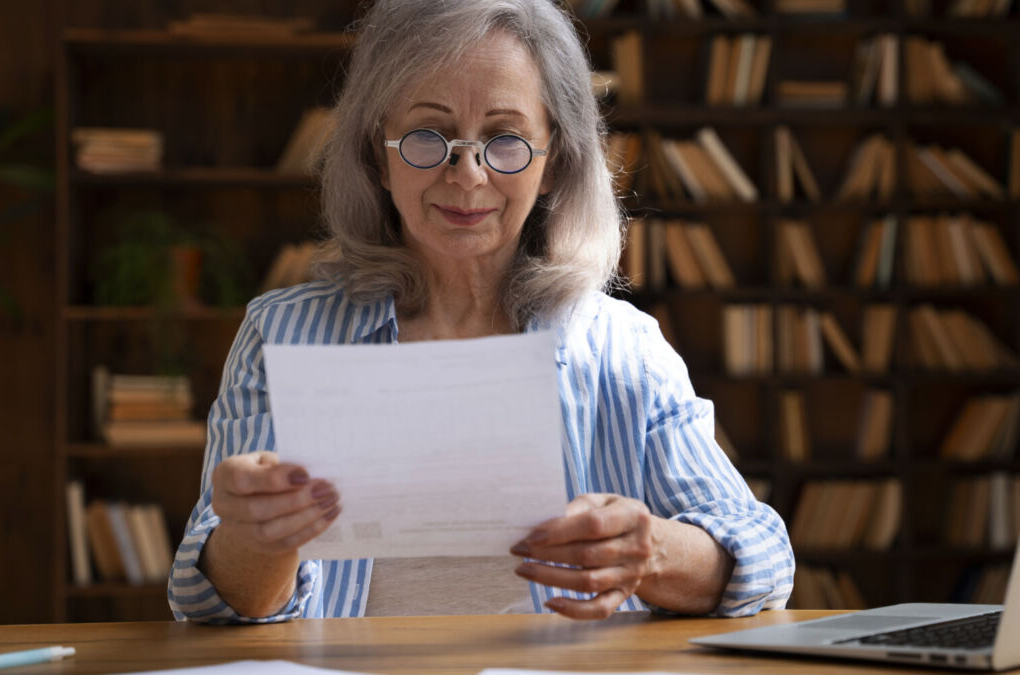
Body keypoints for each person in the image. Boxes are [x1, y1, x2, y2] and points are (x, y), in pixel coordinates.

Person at [169, 0, 794, 623]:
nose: (466, 174)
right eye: (427, 136)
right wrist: (254, 538)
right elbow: (210, 603)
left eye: (505, 140)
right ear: (376, 158)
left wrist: (654, 552)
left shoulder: (623, 349)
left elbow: (766, 562)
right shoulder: (283, 336)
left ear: (555, 166)